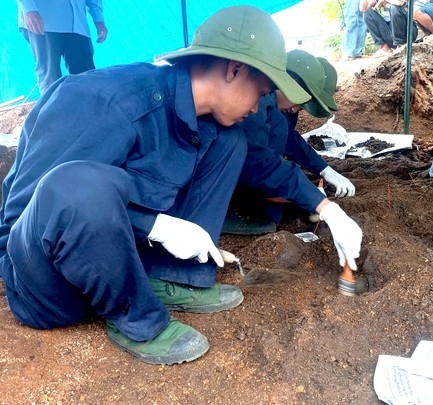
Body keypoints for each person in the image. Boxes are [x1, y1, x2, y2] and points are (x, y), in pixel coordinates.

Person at [0, 5, 362, 366]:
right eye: (261, 91)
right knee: (79, 182)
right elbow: (46, 202)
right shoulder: (102, 99)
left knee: (230, 141)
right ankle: (137, 317)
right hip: (45, 281)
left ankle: (168, 277)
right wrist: (155, 225)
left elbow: (258, 161)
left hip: (121, 258)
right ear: (234, 69)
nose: (257, 108)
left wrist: (326, 208)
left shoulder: (193, 115)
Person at [223, 50, 356, 235]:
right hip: (232, 178)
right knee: (271, 213)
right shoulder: (256, 108)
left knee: (276, 211)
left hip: (255, 168)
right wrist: (305, 196)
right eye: (299, 103)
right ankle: (232, 210)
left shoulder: (278, 112)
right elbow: (256, 161)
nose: (296, 110)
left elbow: (289, 140)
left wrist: (324, 170)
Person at [18, 0, 108, 94]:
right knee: (50, 78)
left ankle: (89, 107)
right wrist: (29, 9)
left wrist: (98, 18)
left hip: (78, 24)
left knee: (86, 75)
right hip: (44, 19)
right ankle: (54, 108)